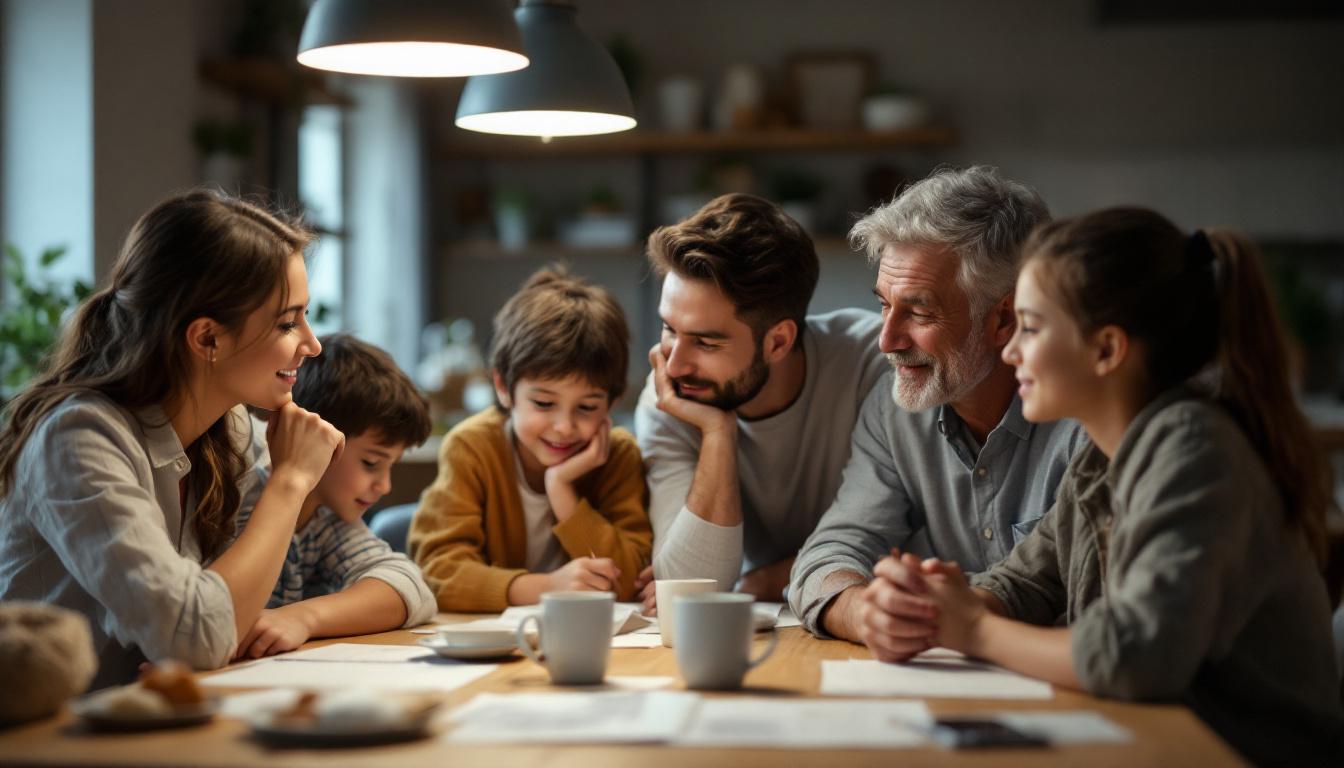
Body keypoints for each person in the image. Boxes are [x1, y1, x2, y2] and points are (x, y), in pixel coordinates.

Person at [872, 208, 1344, 765]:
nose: (1010, 352)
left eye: (1031, 327)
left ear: (1106, 349)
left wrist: (970, 627)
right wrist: (928, 608)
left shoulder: (1195, 450)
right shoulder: (1105, 456)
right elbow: (1028, 583)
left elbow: (1135, 657)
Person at [0, 189, 343, 688]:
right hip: (50, 739)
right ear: (207, 338)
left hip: (151, 726)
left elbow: (400, 585)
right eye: (288, 322)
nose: (311, 344)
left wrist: (297, 618)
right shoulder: (78, 439)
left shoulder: (229, 429)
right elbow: (198, 639)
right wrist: (290, 483)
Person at [789, 166, 1085, 650]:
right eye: (884, 304)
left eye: (920, 312)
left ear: (1004, 319)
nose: (887, 340)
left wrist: (931, 610)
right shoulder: (895, 408)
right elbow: (831, 552)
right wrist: (867, 614)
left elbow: (1094, 610)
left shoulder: (1088, 419)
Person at [632, 192, 886, 607]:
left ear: (779, 341)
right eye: (669, 329)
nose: (674, 365)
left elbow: (909, 540)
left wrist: (769, 578)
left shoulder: (871, 367)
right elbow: (688, 589)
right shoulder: (673, 398)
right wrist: (717, 433)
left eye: (706, 342)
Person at [410, 268, 652, 612]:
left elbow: (629, 580)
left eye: (586, 407)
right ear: (503, 388)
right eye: (543, 403)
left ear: (612, 403)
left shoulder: (619, 456)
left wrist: (562, 489)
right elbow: (437, 572)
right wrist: (547, 587)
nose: (564, 427)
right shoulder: (473, 447)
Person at [230, 333, 437, 658]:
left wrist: (302, 617)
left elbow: (411, 588)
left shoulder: (327, 517)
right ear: (315, 432)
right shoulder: (242, 490)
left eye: (390, 466)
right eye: (371, 463)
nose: (384, 486)